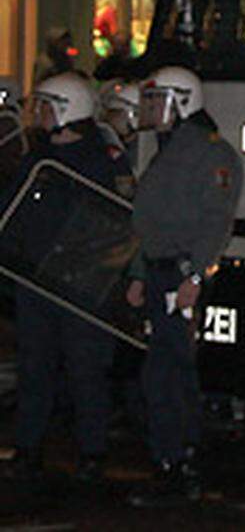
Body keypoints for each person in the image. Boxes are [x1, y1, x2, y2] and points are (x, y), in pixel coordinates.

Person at [1, 72, 134, 483]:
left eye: (45, 105)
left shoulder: (101, 161)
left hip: (80, 288)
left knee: (85, 371)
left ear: (66, 110)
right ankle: (29, 447)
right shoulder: (36, 158)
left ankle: (92, 452)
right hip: (36, 282)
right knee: (34, 368)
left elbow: (116, 223)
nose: (37, 113)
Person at [124, 65, 242, 505]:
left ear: (180, 102)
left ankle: (181, 462)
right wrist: (139, 271)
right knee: (161, 372)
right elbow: (150, 221)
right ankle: (170, 459)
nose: (149, 109)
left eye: (156, 101)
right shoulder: (168, 149)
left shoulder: (208, 153)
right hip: (160, 272)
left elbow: (216, 220)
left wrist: (195, 274)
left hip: (180, 274)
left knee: (172, 374)